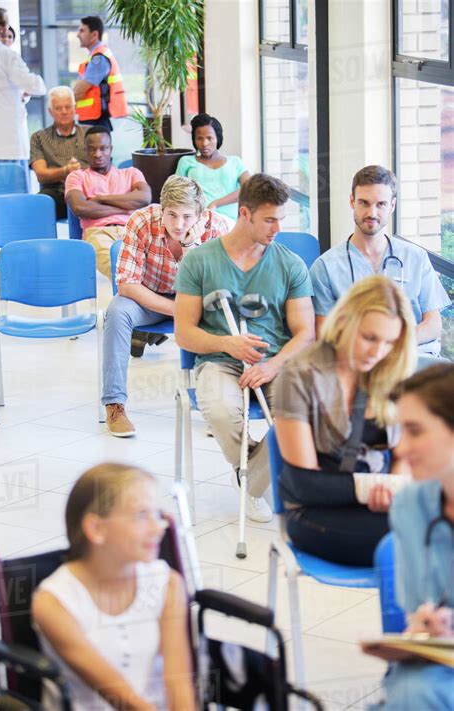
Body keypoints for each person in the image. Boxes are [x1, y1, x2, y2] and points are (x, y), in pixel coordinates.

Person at [174, 173, 315, 522]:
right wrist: (228, 344)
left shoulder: (290, 264)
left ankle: (249, 480)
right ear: (244, 214)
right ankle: (257, 470)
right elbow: (184, 333)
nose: (277, 229)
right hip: (219, 362)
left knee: (302, 411)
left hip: (274, 362)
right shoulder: (199, 261)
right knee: (221, 412)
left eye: (282, 219)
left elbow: (305, 333)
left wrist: (272, 366)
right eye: (269, 220)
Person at [273, 275, 418, 566]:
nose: (377, 352)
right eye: (369, 337)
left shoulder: (392, 371)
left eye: (390, 342)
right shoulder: (299, 375)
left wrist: (393, 490)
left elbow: (404, 456)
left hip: (378, 502)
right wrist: (376, 489)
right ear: (343, 322)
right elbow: (305, 484)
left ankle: (426, 612)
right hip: (314, 512)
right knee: (424, 539)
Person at [32, 463, 196, 711]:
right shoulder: (54, 603)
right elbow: (123, 700)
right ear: (96, 528)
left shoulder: (167, 583)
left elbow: (179, 684)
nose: (158, 528)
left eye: (157, 514)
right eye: (141, 516)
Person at [103, 175, 229, 437]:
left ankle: (215, 407)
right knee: (116, 311)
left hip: (199, 301)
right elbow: (127, 284)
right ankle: (115, 404)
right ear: (162, 209)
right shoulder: (141, 221)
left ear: (200, 214)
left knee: (224, 316)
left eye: (186, 217)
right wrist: (178, 310)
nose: (178, 224)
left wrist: (190, 247)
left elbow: (215, 288)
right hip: (148, 297)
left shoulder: (217, 228)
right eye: (171, 215)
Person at [362, 363, 454, 710]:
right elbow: (418, 610)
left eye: (415, 431)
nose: (399, 451)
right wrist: (430, 626)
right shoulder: (411, 507)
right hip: (434, 672)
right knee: (414, 690)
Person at [309, 165, 450, 357]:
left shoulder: (416, 258)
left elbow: (433, 325)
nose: (372, 213)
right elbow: (324, 333)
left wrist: (394, 344)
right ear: (352, 201)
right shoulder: (325, 267)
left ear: (392, 206)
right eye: (364, 203)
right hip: (358, 363)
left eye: (381, 204)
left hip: (414, 358)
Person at [65, 126, 151, 280]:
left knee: (152, 269)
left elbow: (144, 198)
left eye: (103, 148)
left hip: (132, 230)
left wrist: (100, 199)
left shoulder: (131, 173)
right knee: (121, 272)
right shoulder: (76, 177)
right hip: (98, 233)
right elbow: (80, 208)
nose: (98, 154)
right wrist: (125, 208)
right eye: (92, 149)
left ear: (110, 149)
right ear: (85, 150)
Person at [0, 7, 46, 187]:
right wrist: (40, 83)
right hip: (8, 142)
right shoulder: (8, 56)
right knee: (13, 197)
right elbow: (34, 86)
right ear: (1, 28)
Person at [176, 113, 250, 221]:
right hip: (196, 219)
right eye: (199, 138)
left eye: (210, 138)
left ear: (218, 138)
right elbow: (176, 193)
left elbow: (249, 189)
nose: (204, 143)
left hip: (227, 222)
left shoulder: (235, 162)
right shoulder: (186, 162)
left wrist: (215, 204)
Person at [30, 86, 90, 219]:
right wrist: (65, 171)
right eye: (58, 108)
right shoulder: (38, 137)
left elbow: (103, 167)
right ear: (50, 112)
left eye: (68, 107)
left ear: (75, 108)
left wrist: (78, 175)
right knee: (39, 204)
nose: (64, 112)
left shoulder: (90, 134)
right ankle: (45, 239)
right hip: (55, 191)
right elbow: (41, 174)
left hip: (89, 189)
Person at [74, 15, 128, 131]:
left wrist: (63, 103)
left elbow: (80, 90)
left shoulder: (98, 59)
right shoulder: (96, 55)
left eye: (82, 31)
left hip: (94, 119)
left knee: (94, 149)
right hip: (92, 117)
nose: (78, 35)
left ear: (94, 34)